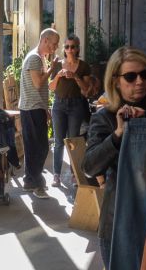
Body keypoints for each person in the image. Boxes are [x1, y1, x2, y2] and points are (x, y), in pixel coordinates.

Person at [82, 47, 146, 270]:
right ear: (116, 81)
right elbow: (89, 167)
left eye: (144, 74)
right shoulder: (106, 117)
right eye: (130, 76)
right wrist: (118, 134)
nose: (139, 81)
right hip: (120, 220)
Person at [18, 28, 60, 198]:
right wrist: (52, 68)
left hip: (34, 107)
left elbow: (39, 87)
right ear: (45, 41)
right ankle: (36, 184)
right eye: (54, 43)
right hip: (31, 108)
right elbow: (37, 84)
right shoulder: (35, 58)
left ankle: (31, 181)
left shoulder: (39, 58)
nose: (55, 47)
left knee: (34, 147)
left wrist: (45, 108)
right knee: (40, 147)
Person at [48, 34, 94, 187]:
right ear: (64, 49)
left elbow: (86, 89)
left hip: (76, 105)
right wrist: (59, 77)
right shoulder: (58, 64)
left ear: (78, 48)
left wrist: (75, 76)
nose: (69, 49)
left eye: (73, 46)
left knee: (73, 140)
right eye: (67, 46)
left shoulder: (83, 66)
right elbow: (51, 88)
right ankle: (56, 175)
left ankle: (75, 174)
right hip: (59, 105)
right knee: (59, 141)